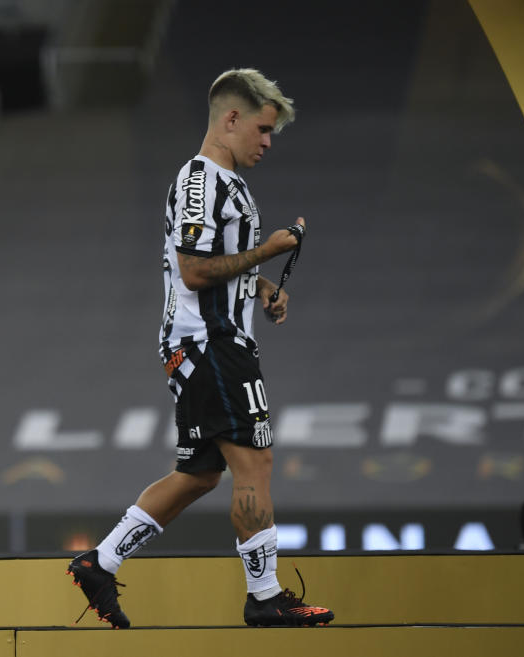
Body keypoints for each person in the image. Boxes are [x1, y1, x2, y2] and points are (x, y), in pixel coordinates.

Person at [67, 69, 334, 628]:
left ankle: (101, 559)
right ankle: (263, 596)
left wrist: (259, 287)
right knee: (254, 462)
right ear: (230, 118)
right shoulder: (203, 180)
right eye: (262, 129)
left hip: (196, 343)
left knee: (199, 473)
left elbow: (206, 263)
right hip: (211, 344)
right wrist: (268, 250)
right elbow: (192, 271)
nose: (267, 143)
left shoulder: (224, 183)